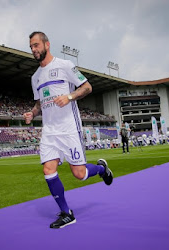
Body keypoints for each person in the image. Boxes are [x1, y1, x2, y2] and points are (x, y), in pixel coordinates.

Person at [23, 31, 113, 229]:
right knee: (48, 170)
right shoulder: (35, 77)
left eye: (36, 45)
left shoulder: (65, 66)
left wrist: (69, 97)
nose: (33, 49)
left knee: (79, 174)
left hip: (69, 128)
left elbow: (87, 87)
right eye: (31, 46)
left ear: (47, 44)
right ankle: (66, 213)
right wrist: (32, 113)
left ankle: (101, 169)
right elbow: (39, 104)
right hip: (49, 131)